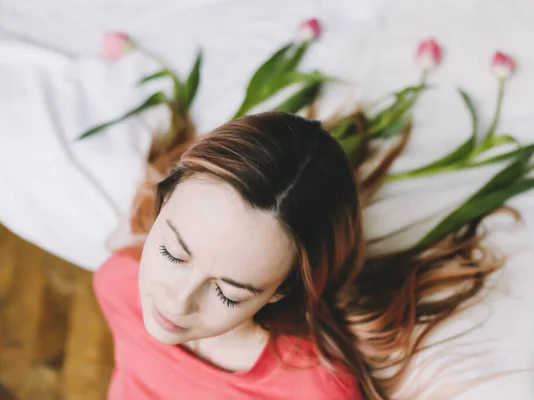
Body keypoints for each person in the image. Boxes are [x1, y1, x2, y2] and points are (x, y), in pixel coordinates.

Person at [93, 111, 500, 399]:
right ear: (163, 202)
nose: (176, 301)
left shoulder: (313, 389)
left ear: (278, 291)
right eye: (173, 253)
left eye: (228, 294)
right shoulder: (117, 283)